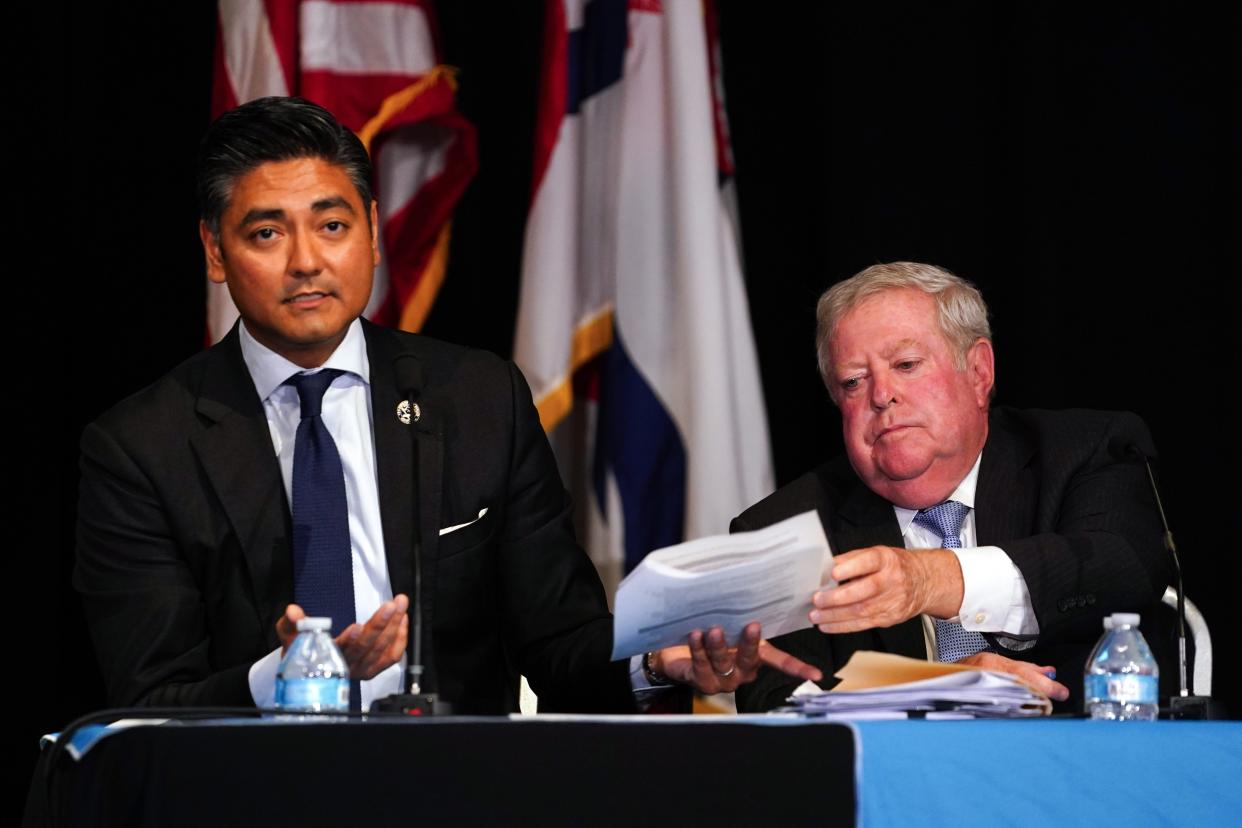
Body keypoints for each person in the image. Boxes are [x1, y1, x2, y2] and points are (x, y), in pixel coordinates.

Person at [75, 96, 816, 714]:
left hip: (453, 782)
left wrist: (657, 664)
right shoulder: (144, 446)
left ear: (370, 230)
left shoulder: (475, 398)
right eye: (266, 232)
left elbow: (558, 641)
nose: (306, 260)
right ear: (213, 251)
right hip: (247, 791)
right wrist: (300, 673)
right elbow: (150, 699)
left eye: (332, 226)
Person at [733, 262, 1172, 713]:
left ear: (979, 372)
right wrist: (938, 686)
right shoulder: (784, 528)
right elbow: (776, 706)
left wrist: (931, 579)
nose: (881, 395)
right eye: (852, 382)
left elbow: (1127, 566)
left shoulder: (1086, 451)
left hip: (1079, 768)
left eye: (906, 365)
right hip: (894, 779)